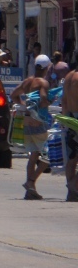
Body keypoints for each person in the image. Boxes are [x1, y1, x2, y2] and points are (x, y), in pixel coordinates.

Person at [11, 54, 52, 200]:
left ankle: (30, 190)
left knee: (33, 156)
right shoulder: (43, 83)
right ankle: (31, 181)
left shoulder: (28, 81)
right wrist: (49, 102)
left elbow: (14, 95)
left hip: (27, 121)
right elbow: (43, 99)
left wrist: (24, 106)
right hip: (38, 121)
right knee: (48, 156)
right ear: (47, 68)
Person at [59, 66, 78, 202]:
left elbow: (64, 100)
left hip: (70, 117)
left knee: (72, 158)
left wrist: (65, 121)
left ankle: (72, 193)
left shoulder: (69, 76)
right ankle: (73, 184)